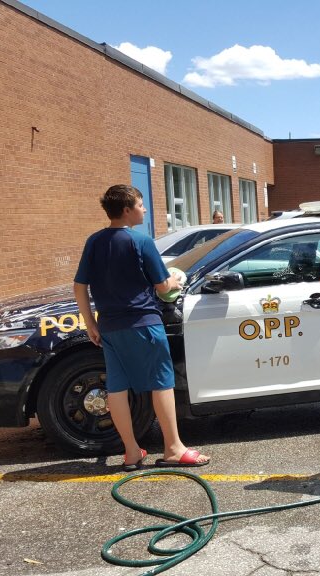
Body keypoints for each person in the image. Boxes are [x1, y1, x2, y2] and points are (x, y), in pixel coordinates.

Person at [74, 184, 210, 471]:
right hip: (144, 324)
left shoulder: (94, 241)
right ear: (126, 209)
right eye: (140, 204)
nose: (144, 209)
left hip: (109, 326)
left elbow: (79, 286)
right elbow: (163, 288)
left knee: (117, 387)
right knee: (161, 382)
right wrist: (176, 280)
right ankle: (173, 448)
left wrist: (90, 324)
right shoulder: (141, 241)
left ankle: (132, 452)